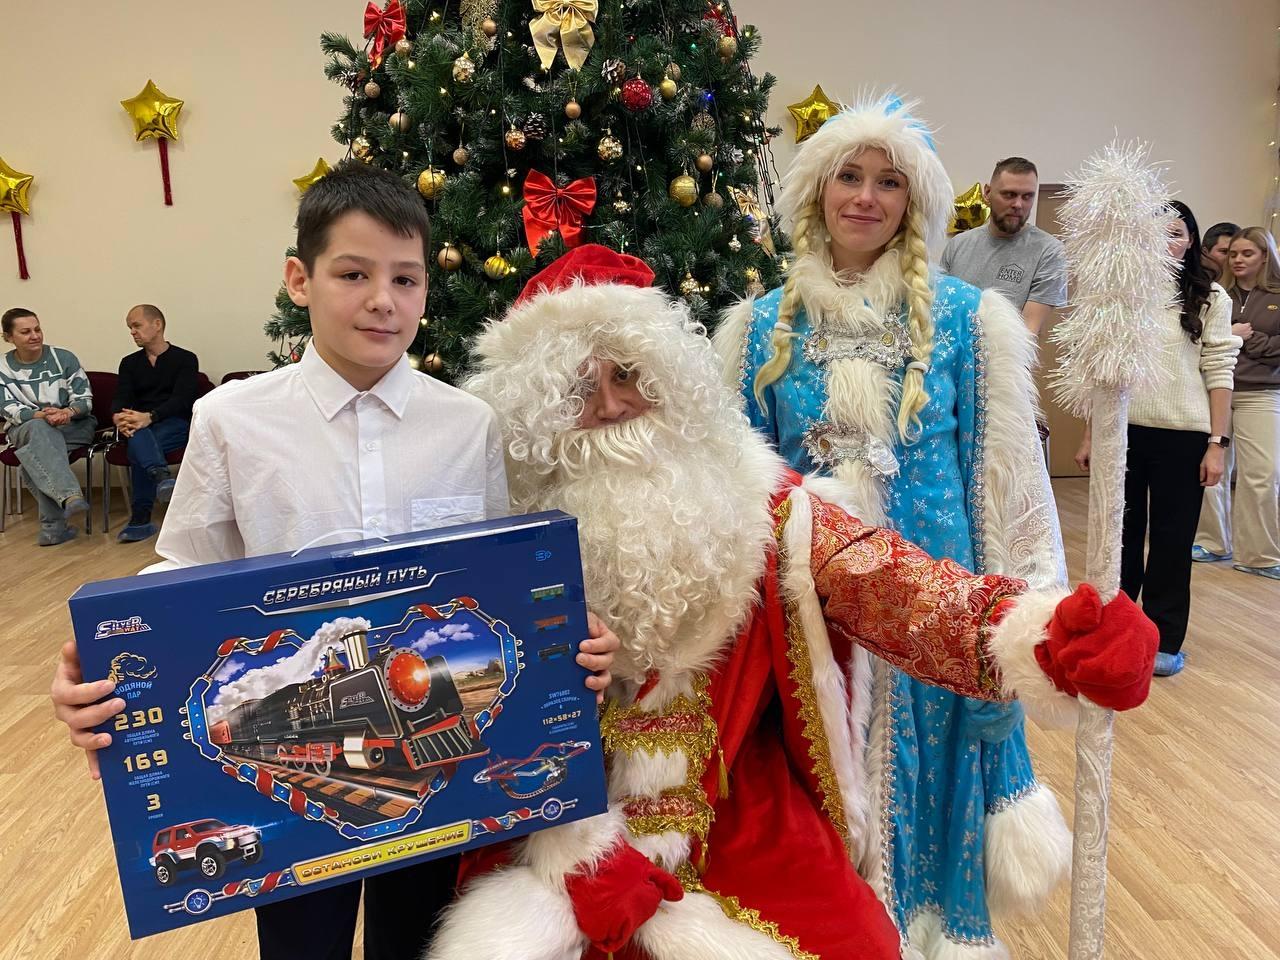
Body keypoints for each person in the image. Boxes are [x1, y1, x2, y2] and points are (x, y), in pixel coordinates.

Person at [425, 244, 1158, 960]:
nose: (613, 406)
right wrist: (574, 851)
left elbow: (898, 591)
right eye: (579, 390)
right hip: (548, 818)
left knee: (859, 943)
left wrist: (1044, 637)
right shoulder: (500, 537)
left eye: (629, 376)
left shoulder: (768, 508)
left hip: (740, 809)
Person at [49, 161, 618, 960]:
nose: (383, 299)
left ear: (426, 290)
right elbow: (180, 573)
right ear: (299, 279)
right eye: (353, 273)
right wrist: (106, 661)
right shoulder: (230, 420)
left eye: (406, 279)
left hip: (431, 782)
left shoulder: (470, 425)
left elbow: (502, 574)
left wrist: (565, 633)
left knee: (418, 936)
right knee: (301, 943)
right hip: (303, 809)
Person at [716, 95, 1070, 958]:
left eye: (888, 182)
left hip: (937, 608)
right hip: (812, 610)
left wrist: (1029, 613)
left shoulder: (967, 320)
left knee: (933, 772)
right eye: (849, 176)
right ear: (817, 190)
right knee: (821, 779)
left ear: (916, 202)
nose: (866, 197)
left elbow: (1006, 475)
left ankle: (930, 937)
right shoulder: (762, 326)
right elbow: (735, 482)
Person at [1074, 201, 1238, 677]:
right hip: (1123, 432)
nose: (1168, 242)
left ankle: (1164, 638)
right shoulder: (1124, 296)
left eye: (1177, 233)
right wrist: (1090, 432)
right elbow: (1104, 373)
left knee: (1171, 540)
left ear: (1191, 241)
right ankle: (1115, 632)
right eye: (1157, 233)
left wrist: (1216, 442)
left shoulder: (1211, 298)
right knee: (1118, 539)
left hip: (1184, 436)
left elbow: (1219, 370)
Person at [1194, 226, 1280, 579]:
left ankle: (1259, 555)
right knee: (1210, 471)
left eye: (1248, 253)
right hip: (1217, 390)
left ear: (1265, 256)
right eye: (1233, 254)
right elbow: (1202, 342)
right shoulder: (1216, 295)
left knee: (1262, 473)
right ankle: (1211, 543)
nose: (1239, 259)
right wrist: (1232, 336)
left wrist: (1247, 338)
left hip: (1262, 393)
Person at [939, 156, 1067, 337]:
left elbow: (1027, 332)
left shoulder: (1049, 252)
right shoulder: (958, 245)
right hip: (951, 358)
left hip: (1005, 361)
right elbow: (940, 310)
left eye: (1027, 196)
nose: (1018, 204)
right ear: (987, 192)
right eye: (1009, 194)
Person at [1, 307, 94, 545]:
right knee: (40, 432)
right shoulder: (2, 368)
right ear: (9, 337)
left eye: (37, 329)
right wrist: (40, 415)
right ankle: (69, 495)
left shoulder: (64, 358)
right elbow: (8, 408)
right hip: (27, 427)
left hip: (73, 426)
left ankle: (53, 527)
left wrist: (67, 412)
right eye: (25, 332)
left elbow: (85, 399)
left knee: (35, 456)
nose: (35, 336)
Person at [112, 304, 200, 543]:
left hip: (175, 423)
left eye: (137, 325)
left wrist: (149, 417)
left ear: (157, 324)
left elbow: (182, 400)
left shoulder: (185, 359)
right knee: (139, 437)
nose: (132, 332)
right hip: (140, 425)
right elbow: (121, 397)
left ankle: (140, 519)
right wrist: (119, 417)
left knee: (138, 445)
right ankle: (161, 476)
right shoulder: (129, 363)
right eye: (130, 327)